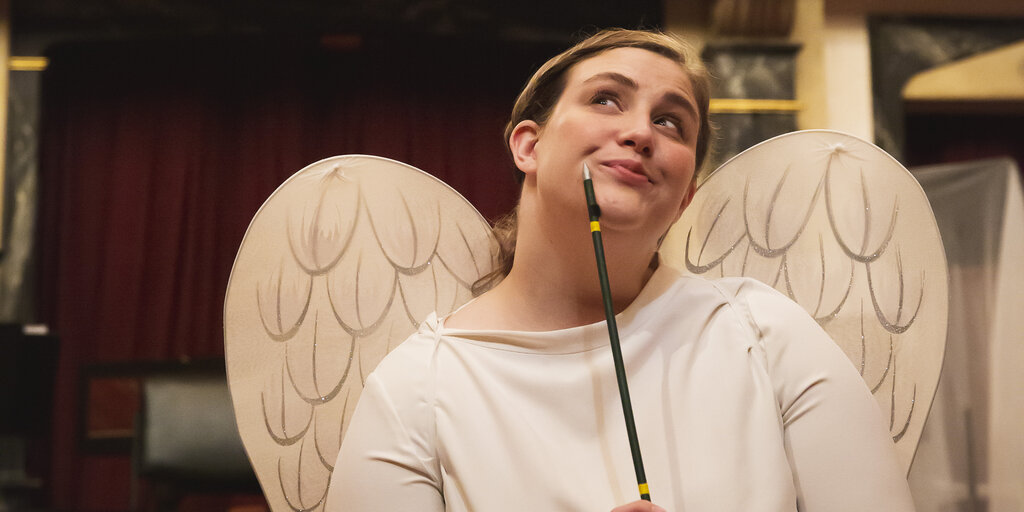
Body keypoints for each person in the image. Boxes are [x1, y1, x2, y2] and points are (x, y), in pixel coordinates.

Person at [326, 29, 915, 511]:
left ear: (684, 197)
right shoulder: (415, 391)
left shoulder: (763, 333)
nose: (639, 133)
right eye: (606, 99)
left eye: (671, 122)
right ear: (527, 146)